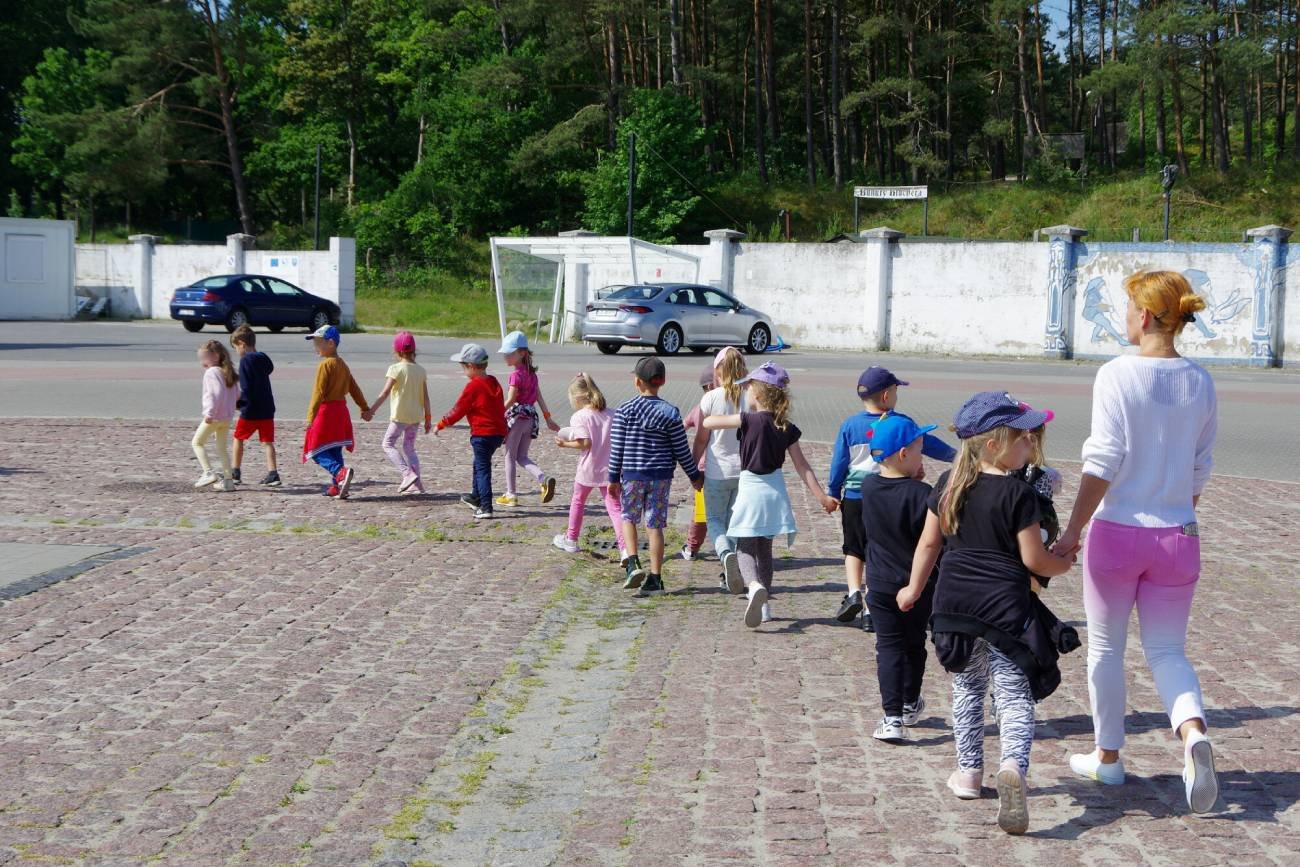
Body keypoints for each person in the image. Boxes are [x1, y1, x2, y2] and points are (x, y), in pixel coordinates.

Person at [1053, 270, 1220, 815]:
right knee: (1168, 650)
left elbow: (1103, 460)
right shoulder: (1201, 381)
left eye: (1128, 308)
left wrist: (1072, 530)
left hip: (1119, 533)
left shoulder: (1117, 374)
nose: (1124, 317)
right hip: (1178, 534)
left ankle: (1108, 757)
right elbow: (1200, 468)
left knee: (1106, 647)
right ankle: (1192, 733)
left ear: (1144, 316)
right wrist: (1175, 513)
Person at [899, 391, 1074, 835]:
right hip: (1005, 609)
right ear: (994, 445)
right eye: (1022, 437)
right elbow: (1034, 560)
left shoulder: (948, 484)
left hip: (954, 604)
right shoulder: (1018, 494)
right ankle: (1012, 765)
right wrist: (1064, 563)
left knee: (968, 688)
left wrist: (913, 588)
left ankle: (969, 774)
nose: (1030, 443)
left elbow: (929, 543)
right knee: (1013, 694)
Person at [702, 362, 838, 628]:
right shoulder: (786, 426)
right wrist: (822, 497)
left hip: (751, 490)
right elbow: (802, 466)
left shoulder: (747, 419)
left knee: (744, 546)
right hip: (775, 492)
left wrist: (722, 411)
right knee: (765, 549)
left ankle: (753, 585)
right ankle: (764, 608)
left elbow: (708, 422)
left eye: (748, 389)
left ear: (757, 393)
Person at [827, 366, 956, 631]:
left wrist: (833, 491)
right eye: (896, 391)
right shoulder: (901, 424)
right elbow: (930, 444)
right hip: (892, 495)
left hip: (856, 496)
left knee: (853, 548)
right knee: (877, 549)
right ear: (887, 396)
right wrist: (957, 457)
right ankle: (870, 610)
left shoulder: (849, 425)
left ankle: (853, 591)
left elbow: (839, 461)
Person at [858, 414, 940, 745]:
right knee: (914, 643)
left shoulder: (867, 487)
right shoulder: (924, 494)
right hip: (918, 584)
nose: (922, 455)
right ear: (904, 453)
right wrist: (918, 484)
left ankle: (891, 717)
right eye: (920, 449)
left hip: (879, 583)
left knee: (888, 647)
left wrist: (910, 478)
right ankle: (908, 703)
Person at [607, 356, 704, 597]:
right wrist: (694, 475)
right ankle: (656, 578)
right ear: (662, 381)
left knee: (628, 517)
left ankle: (632, 563)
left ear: (637, 381)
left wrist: (613, 478)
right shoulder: (671, 412)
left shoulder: (625, 410)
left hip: (632, 476)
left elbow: (616, 448)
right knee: (655, 526)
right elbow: (681, 449)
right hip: (660, 478)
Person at [552, 373, 626, 559]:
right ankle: (625, 549)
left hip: (588, 468)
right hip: (610, 469)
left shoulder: (579, 417)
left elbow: (585, 443)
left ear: (578, 397)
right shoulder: (612, 414)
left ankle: (571, 539)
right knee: (615, 509)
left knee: (578, 501)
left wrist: (564, 444)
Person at [694, 348, 748, 594]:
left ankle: (725, 554)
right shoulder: (751, 396)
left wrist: (693, 467)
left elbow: (701, 439)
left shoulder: (710, 398)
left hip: (717, 472)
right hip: (744, 471)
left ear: (717, 372)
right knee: (735, 522)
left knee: (715, 519)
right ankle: (730, 570)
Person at [435, 343, 507, 520]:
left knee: (483, 469)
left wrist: (442, 423)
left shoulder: (473, 386)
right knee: (479, 463)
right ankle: (475, 496)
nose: (463, 371)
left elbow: (459, 409)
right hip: (497, 433)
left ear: (472, 366)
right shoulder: (493, 381)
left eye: (463, 367)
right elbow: (499, 407)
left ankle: (486, 506)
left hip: (482, 434)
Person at [302, 325, 370, 499]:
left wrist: (310, 417)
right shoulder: (343, 365)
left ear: (330, 343)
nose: (315, 347)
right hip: (341, 412)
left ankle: (340, 473)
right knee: (334, 449)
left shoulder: (325, 365)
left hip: (326, 412)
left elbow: (318, 393)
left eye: (318, 343)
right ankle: (337, 486)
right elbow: (354, 388)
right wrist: (364, 407)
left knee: (315, 450)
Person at [496, 331, 560, 507]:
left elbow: (511, 400)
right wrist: (548, 418)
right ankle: (543, 478)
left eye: (510, 353)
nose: (505, 356)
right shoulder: (532, 375)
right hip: (531, 418)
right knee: (522, 456)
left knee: (510, 456)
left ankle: (511, 494)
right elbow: (539, 396)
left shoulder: (515, 375)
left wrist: (496, 413)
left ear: (522, 353)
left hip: (517, 418)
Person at [364, 331, 431, 494]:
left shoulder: (395, 369)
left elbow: (385, 393)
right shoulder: (421, 370)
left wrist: (371, 411)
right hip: (415, 417)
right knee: (409, 448)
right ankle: (417, 484)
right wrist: (428, 418)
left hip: (400, 416)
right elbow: (426, 396)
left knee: (387, 444)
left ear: (398, 351)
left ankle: (407, 474)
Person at [228, 326, 280, 487]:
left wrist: (239, 403)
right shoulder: (263, 358)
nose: (236, 351)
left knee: (238, 438)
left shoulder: (245, 361)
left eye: (235, 347)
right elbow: (269, 370)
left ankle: (235, 472)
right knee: (267, 442)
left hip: (250, 410)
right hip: (267, 408)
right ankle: (273, 473)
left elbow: (246, 387)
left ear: (242, 344)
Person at [192, 339, 238, 492]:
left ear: (216, 356)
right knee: (221, 448)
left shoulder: (211, 372)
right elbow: (237, 394)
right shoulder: (227, 372)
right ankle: (228, 481)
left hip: (215, 416)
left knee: (197, 443)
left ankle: (208, 472)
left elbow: (215, 394)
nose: (202, 362)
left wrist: (209, 413)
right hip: (226, 418)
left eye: (204, 358)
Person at [680, 364, 715, 562]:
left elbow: (681, 427)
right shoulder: (727, 405)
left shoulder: (698, 408)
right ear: (711, 386)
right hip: (721, 469)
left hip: (702, 470)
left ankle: (692, 548)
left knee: (701, 513)